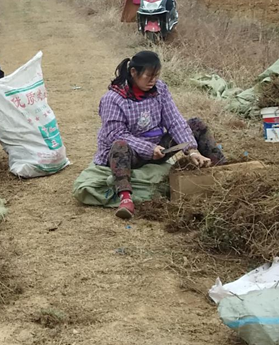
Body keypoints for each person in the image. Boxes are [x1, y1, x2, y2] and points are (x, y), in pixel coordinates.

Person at [94, 50, 225, 220]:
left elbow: (174, 121)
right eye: (149, 76)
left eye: (156, 76)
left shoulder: (160, 89)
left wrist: (191, 149)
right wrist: (148, 148)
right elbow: (116, 134)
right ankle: (126, 199)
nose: (153, 80)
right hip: (130, 153)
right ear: (134, 72)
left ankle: (223, 171)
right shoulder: (113, 99)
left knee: (195, 124)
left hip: (159, 149)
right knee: (119, 144)